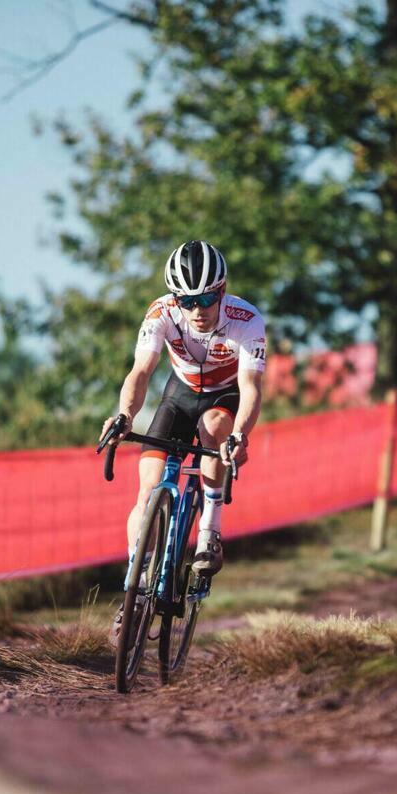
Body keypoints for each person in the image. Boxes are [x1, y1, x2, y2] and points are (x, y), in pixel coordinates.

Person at [100, 239, 267, 588]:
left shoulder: (247, 320)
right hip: (180, 395)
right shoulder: (161, 312)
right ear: (176, 299)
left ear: (222, 291)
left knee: (214, 426)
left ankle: (209, 532)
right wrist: (125, 416)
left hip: (225, 395)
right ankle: (135, 584)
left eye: (206, 299)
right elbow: (141, 372)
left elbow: (250, 387)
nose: (197, 310)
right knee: (147, 493)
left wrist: (239, 435)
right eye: (187, 301)